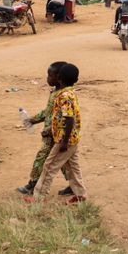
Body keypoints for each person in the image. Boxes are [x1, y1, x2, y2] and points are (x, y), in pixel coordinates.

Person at [33, 63, 88, 203]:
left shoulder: (64, 96)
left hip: (65, 140)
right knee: (73, 168)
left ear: (59, 78)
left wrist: (64, 141)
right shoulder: (71, 93)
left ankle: (39, 197)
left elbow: (69, 119)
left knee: (49, 166)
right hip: (73, 139)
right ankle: (80, 196)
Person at [17, 61, 66, 196]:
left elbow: (62, 119)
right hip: (55, 135)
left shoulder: (62, 96)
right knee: (67, 162)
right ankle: (75, 186)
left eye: (50, 75)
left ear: (59, 77)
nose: (47, 78)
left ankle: (32, 185)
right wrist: (32, 120)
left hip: (54, 135)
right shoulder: (54, 92)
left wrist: (49, 130)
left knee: (41, 158)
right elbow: (48, 112)